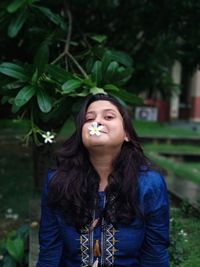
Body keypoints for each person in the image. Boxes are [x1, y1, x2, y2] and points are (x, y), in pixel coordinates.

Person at [36, 93, 170, 267]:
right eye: (89, 118)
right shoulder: (58, 181)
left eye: (108, 116)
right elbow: (49, 250)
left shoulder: (150, 184)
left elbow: (155, 253)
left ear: (126, 134)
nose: (96, 122)